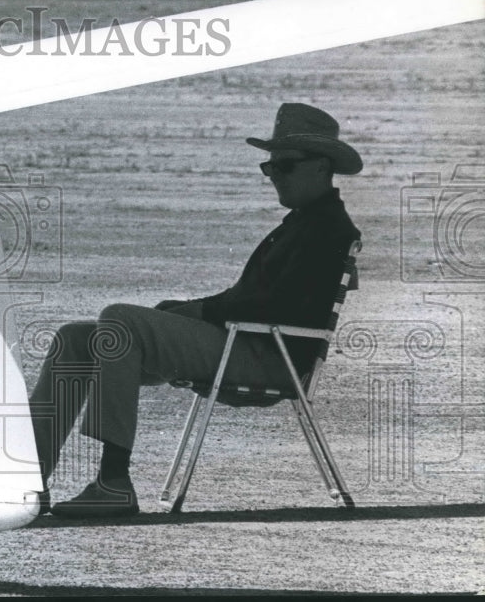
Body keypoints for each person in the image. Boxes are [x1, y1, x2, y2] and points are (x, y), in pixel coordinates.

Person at [29, 102, 362, 518]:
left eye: (286, 166)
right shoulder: (304, 222)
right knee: (75, 338)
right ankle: (29, 479)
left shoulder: (325, 228)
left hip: (266, 357)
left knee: (119, 318)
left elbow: (273, 305)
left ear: (320, 167)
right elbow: (254, 296)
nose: (274, 177)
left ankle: (113, 481)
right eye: (270, 168)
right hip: (244, 343)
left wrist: (197, 311)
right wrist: (191, 310)